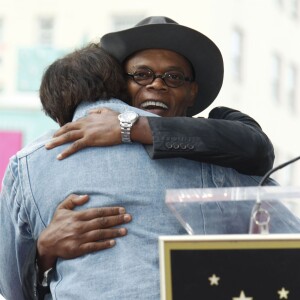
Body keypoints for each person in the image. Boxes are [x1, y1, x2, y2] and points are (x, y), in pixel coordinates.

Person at [1, 17, 292, 300]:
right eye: (141, 75)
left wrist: (131, 128)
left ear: (193, 92)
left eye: (173, 77)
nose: (157, 85)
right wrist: (45, 250)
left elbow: (257, 151)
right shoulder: (36, 163)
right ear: (119, 86)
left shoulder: (215, 147)